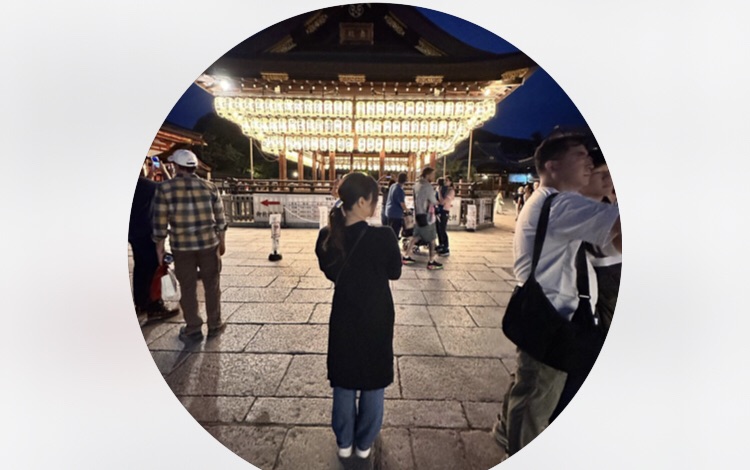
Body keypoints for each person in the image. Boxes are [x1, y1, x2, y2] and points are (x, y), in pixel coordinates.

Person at [493, 132, 622, 457]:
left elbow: (613, 241)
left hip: (547, 313)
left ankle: (507, 437)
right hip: (553, 316)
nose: (589, 163)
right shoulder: (560, 203)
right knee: (535, 398)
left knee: (530, 387)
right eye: (580, 155)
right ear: (552, 165)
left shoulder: (550, 201)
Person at [315, 172, 402, 461]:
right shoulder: (384, 236)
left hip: (344, 314)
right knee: (373, 379)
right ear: (363, 201)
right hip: (377, 315)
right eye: (375, 200)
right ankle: (364, 444)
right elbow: (394, 272)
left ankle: (344, 441)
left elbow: (330, 273)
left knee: (344, 378)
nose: (377, 205)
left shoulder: (327, 236)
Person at [548, 149, 622, 422]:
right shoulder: (574, 209)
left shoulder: (600, 208)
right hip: (584, 308)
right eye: (601, 173)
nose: (608, 179)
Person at [152, 149, 228, 343]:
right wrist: (222, 242)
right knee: (212, 285)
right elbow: (220, 219)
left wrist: (159, 248)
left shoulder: (165, 189)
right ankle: (215, 324)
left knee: (187, 287)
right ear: (194, 167)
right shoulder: (210, 187)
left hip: (182, 246)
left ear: (176, 166)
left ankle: (193, 328)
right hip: (209, 244)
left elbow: (160, 222)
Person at [129, 175, 179, 323]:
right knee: (153, 268)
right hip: (147, 232)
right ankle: (154, 305)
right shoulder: (150, 186)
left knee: (140, 267)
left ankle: (141, 303)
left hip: (132, 232)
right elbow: (171, 187)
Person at [402, 167, 443, 270]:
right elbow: (433, 201)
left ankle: (406, 256)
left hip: (417, 215)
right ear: (428, 175)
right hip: (427, 217)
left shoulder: (416, 185)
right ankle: (431, 261)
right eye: (432, 174)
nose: (433, 177)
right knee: (432, 239)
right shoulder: (428, 186)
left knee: (416, 236)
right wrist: (439, 202)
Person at [435, 176, 455, 256]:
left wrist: (439, 191)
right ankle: (441, 244)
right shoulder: (443, 189)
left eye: (447, 180)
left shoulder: (450, 191)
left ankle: (446, 247)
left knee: (442, 229)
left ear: (450, 182)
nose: (445, 182)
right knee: (438, 229)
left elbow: (442, 201)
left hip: (444, 211)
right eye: (444, 180)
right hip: (439, 210)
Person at [385, 172, 408, 239]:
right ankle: (393, 244)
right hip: (396, 214)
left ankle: (389, 243)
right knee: (395, 233)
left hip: (389, 212)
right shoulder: (399, 190)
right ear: (405, 180)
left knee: (390, 232)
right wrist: (407, 210)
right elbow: (402, 204)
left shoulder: (393, 186)